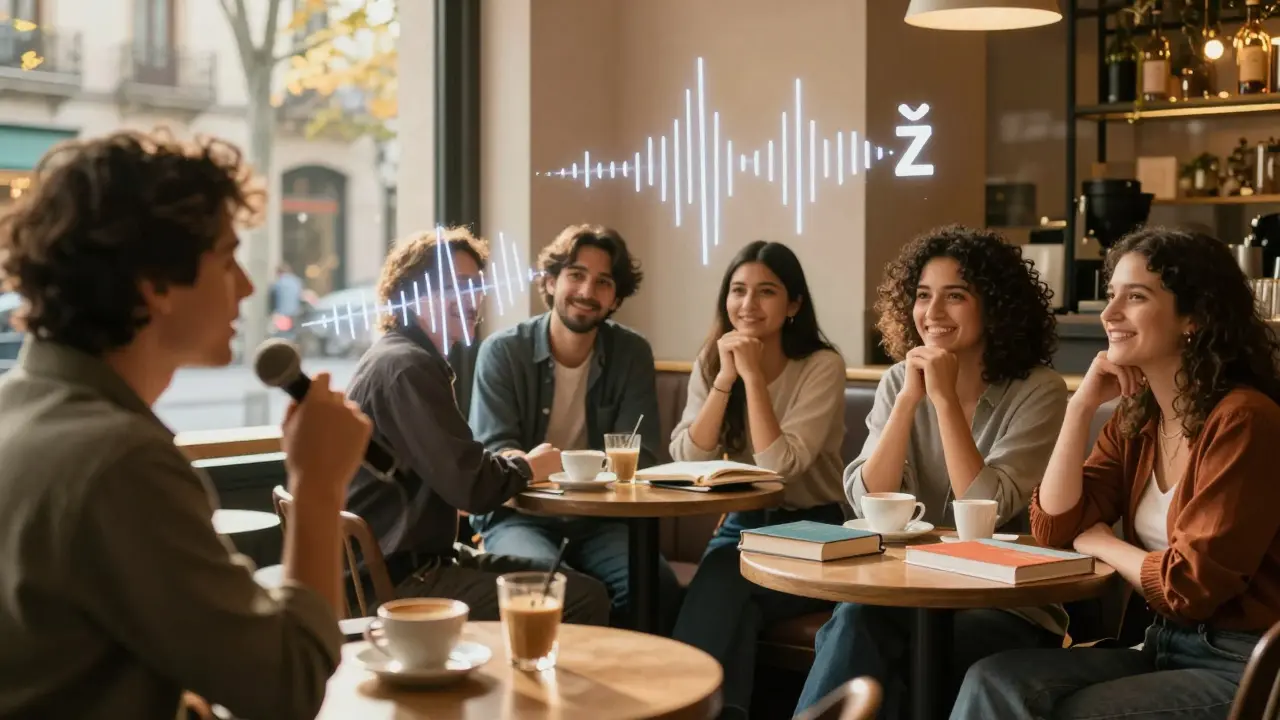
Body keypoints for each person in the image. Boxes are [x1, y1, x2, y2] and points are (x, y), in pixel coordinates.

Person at [0, 129, 371, 720]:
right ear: (156, 283)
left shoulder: (19, 405)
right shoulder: (118, 461)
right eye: (227, 259)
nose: (248, 287)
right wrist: (319, 485)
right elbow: (289, 687)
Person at [951, 228, 1280, 720]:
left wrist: (1102, 542)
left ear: (1196, 316)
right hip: (1162, 645)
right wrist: (1081, 406)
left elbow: (1187, 588)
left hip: (1243, 662)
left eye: (1136, 297)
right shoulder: (1140, 418)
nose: (1109, 314)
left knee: (1075, 711)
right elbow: (1056, 527)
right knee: (993, 679)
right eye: (1112, 296)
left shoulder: (1244, 420)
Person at [796, 225, 1070, 718]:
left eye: (955, 296)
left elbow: (988, 507)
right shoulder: (901, 378)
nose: (933, 313)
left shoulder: (1040, 390)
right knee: (854, 620)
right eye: (923, 296)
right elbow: (867, 500)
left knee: (914, 647)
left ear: (995, 306)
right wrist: (907, 402)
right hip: (906, 588)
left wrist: (942, 400)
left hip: (1003, 601)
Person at [343, 227, 610, 625]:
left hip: (408, 564)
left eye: (478, 287)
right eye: (457, 286)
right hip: (401, 583)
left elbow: (457, 479)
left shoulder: (396, 357)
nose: (474, 299)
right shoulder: (408, 367)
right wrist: (530, 467)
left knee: (567, 581)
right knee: (582, 597)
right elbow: (471, 487)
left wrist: (498, 469)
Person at [668, 240, 849, 719]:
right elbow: (686, 453)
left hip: (815, 530)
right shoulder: (713, 360)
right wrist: (725, 378)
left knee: (724, 580)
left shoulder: (822, 365)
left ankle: (682, 708)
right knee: (733, 599)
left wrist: (751, 376)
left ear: (793, 305)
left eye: (766, 292)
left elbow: (781, 465)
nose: (748, 305)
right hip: (742, 527)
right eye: (738, 290)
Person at [469, 223, 680, 630]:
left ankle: (624, 689)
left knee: (656, 586)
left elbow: (643, 455)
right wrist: (576, 474)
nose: (587, 292)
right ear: (550, 281)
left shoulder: (631, 352)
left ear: (616, 297)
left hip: (603, 520)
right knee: (554, 590)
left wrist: (558, 474)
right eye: (576, 275)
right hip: (520, 515)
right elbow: (498, 452)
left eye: (603, 282)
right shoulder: (502, 352)